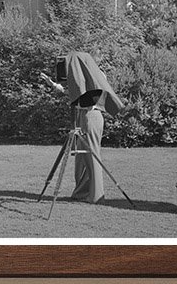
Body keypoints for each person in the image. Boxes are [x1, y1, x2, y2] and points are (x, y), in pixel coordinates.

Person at [40, 51, 123, 204]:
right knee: (81, 158)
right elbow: (73, 93)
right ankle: (82, 192)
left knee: (92, 155)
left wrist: (82, 104)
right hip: (82, 117)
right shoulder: (83, 75)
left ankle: (96, 195)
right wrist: (53, 85)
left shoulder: (97, 75)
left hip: (91, 117)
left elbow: (91, 100)